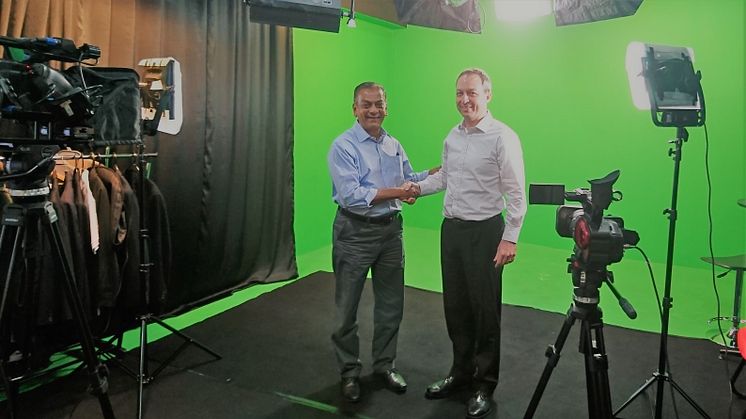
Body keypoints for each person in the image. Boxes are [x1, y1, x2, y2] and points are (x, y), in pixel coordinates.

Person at [408, 68, 526, 419]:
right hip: (453, 232)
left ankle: (484, 383)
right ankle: (460, 373)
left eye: (471, 93)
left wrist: (510, 237)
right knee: (456, 307)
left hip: (486, 232)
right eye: (459, 93)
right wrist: (416, 188)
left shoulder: (503, 138)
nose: (464, 100)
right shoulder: (453, 137)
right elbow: (445, 176)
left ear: (488, 94)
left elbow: (517, 193)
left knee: (485, 311)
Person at [327, 81, 438, 403]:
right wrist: (403, 192)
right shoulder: (343, 146)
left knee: (391, 307)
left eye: (379, 104)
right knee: (346, 310)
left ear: (386, 108)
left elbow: (408, 179)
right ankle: (349, 372)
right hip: (355, 233)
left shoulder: (393, 144)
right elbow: (353, 196)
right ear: (355, 109)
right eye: (366, 105)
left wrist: (438, 173)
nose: (373, 110)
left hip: (391, 233)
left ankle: (384, 366)